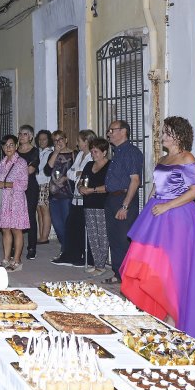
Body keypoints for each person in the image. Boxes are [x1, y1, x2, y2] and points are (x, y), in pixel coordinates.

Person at [120, 116, 195, 343]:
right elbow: (156, 188)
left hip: (179, 218)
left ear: (179, 135)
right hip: (158, 216)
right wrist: (148, 210)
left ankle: (174, 318)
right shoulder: (163, 159)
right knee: (153, 265)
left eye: (167, 133)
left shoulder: (187, 157)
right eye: (163, 132)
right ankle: (161, 311)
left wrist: (167, 205)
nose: (162, 136)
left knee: (176, 268)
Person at [102, 120, 144, 284]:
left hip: (124, 199)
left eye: (112, 130)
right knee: (114, 239)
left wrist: (125, 206)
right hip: (112, 198)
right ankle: (118, 273)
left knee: (124, 240)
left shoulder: (131, 152)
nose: (109, 133)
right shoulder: (117, 152)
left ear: (123, 132)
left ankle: (130, 277)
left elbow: (135, 181)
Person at [52, 129, 96, 266]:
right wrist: (76, 174)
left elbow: (85, 172)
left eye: (79, 140)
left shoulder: (91, 156)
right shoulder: (80, 155)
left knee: (83, 227)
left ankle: (85, 256)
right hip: (75, 196)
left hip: (85, 196)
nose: (77, 143)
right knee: (71, 226)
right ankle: (70, 254)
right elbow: (72, 172)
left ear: (86, 141)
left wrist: (76, 173)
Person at [0, 134, 29, 272]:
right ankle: (6, 259)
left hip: (16, 200)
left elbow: (23, 185)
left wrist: (4, 184)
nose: (8, 147)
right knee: (5, 229)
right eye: (5, 145)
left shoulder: (21, 163)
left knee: (16, 230)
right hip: (4, 200)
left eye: (11, 145)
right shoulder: (2, 163)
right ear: (2, 147)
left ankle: (17, 261)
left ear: (16, 146)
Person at [78, 138, 111, 275]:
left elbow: (110, 186)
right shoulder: (89, 165)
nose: (93, 154)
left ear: (104, 152)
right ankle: (96, 263)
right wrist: (80, 187)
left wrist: (92, 190)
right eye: (92, 151)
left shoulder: (110, 165)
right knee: (92, 234)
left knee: (102, 235)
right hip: (89, 203)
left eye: (96, 151)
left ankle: (101, 265)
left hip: (103, 204)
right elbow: (82, 181)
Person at [43, 130, 74, 258]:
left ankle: (68, 251)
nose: (58, 142)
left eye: (60, 139)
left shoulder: (74, 154)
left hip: (67, 193)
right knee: (57, 224)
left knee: (67, 223)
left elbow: (77, 171)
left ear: (66, 139)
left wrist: (66, 178)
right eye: (55, 140)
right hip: (54, 193)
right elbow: (46, 170)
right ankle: (65, 248)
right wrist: (56, 152)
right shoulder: (52, 154)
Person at [16, 126, 40, 261]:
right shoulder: (14, 151)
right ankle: (14, 246)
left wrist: (16, 171)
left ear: (30, 137)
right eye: (20, 134)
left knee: (30, 216)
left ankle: (32, 248)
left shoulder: (34, 151)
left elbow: (30, 170)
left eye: (25, 134)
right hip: (15, 188)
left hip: (30, 187)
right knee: (15, 216)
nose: (21, 136)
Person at [35, 130, 53, 244]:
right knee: (39, 210)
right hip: (37, 183)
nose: (42, 141)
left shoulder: (49, 152)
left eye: (44, 139)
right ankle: (41, 234)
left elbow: (40, 167)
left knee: (44, 210)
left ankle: (45, 236)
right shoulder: (39, 151)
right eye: (40, 139)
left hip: (44, 183)